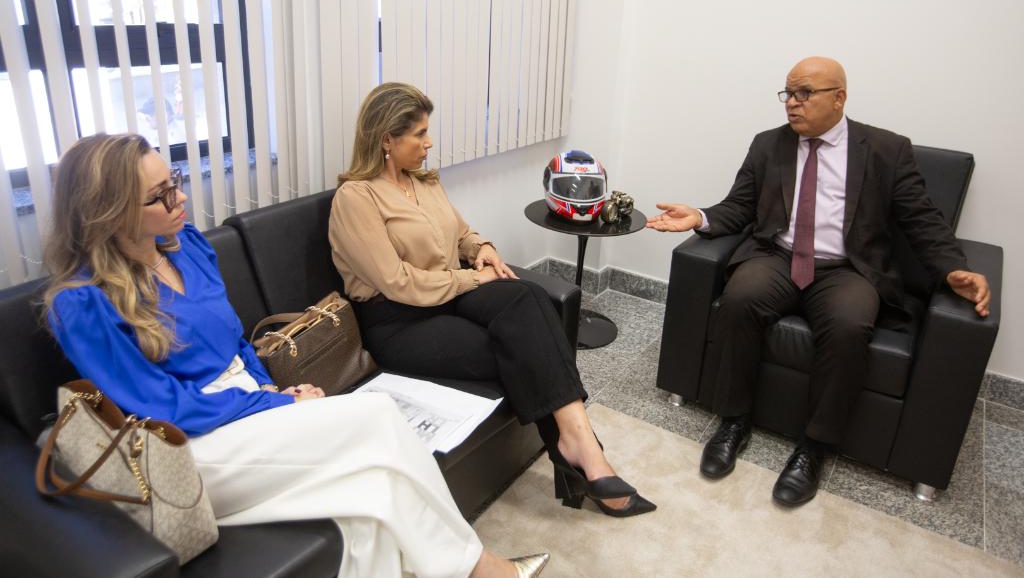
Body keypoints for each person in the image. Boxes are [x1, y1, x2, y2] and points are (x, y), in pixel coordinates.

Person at [43, 133, 548, 578]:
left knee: (369, 501)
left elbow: (234, 339)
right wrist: (278, 404)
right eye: (160, 195)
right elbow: (164, 408)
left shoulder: (185, 246)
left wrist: (269, 386)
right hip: (191, 444)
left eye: (174, 180)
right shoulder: (82, 303)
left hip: (245, 402)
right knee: (376, 414)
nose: (180, 198)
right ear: (111, 214)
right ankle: (480, 569)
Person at [647, 56, 990, 507]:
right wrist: (700, 216)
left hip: (847, 268)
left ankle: (814, 446)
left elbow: (921, 220)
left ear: (839, 97)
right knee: (739, 300)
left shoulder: (886, 149)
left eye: (804, 93)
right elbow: (740, 206)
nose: (792, 103)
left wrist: (951, 269)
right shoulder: (768, 144)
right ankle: (733, 421)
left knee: (849, 326)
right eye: (788, 94)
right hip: (777, 256)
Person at [329, 83, 655, 518]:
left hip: (446, 295)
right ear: (387, 138)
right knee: (520, 346)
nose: (429, 143)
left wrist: (481, 248)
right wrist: (472, 277)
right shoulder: (355, 198)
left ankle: (577, 445)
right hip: (400, 321)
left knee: (528, 297)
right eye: (420, 134)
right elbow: (398, 283)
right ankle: (586, 454)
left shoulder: (423, 182)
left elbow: (461, 234)